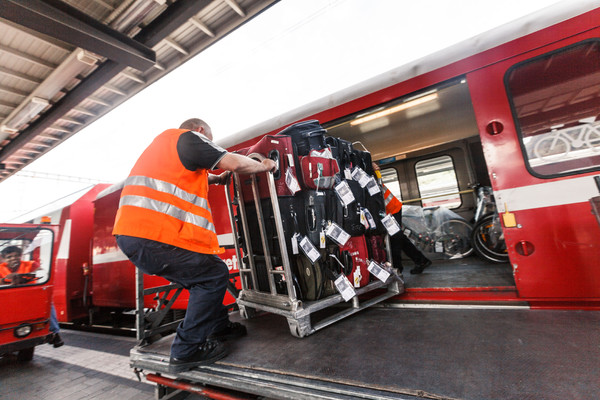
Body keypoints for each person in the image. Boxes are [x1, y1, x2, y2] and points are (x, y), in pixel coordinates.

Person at [113, 118, 277, 372]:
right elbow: (233, 161)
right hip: (154, 235)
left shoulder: (164, 147)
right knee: (212, 276)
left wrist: (215, 180)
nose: (211, 145)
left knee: (208, 269)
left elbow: (178, 181)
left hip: (138, 235)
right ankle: (186, 351)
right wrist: (264, 166)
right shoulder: (188, 138)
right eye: (210, 139)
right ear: (201, 131)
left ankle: (218, 328)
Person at [372, 163, 432, 274]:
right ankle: (421, 260)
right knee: (399, 237)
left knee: (394, 238)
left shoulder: (362, 169)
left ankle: (398, 269)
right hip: (387, 211)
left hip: (391, 209)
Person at [0, 246, 64, 346]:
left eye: (16, 256)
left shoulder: (30, 264)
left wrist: (27, 276)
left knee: (47, 304)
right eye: (9, 257)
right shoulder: (0, 268)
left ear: (20, 256)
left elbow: (42, 273)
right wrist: (4, 280)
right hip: (8, 298)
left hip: (30, 295)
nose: (13, 258)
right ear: (3, 259)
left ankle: (55, 333)